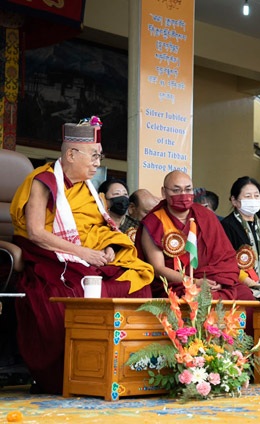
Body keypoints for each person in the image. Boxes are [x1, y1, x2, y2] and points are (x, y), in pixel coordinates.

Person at [9, 117, 154, 394]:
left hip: (89, 254)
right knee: (71, 293)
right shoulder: (43, 181)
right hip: (49, 254)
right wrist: (84, 253)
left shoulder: (89, 190)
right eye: (94, 155)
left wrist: (110, 247)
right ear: (71, 154)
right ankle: (68, 372)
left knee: (139, 280)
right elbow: (36, 232)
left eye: (100, 156)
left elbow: (100, 227)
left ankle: (122, 366)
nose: (98, 162)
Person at [137, 171, 255, 302]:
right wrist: (195, 282)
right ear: (164, 192)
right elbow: (158, 268)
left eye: (188, 189)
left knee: (245, 295)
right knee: (195, 298)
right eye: (176, 190)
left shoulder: (206, 216)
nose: (183, 195)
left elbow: (225, 258)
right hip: (178, 284)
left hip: (212, 281)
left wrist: (222, 281)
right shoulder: (154, 222)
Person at [220, 177, 260, 298]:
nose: (253, 200)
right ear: (234, 201)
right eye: (248, 196)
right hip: (242, 285)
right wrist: (251, 283)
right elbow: (227, 262)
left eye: (256, 196)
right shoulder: (227, 225)